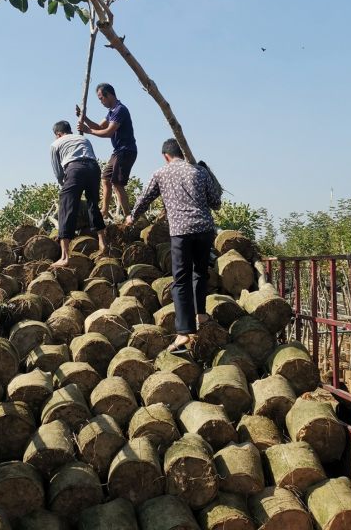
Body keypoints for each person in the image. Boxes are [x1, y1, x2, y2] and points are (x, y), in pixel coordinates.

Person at [126, 138, 222, 353]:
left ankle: (183, 334)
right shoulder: (199, 171)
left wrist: (132, 216)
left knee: (180, 280)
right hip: (204, 229)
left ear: (166, 156)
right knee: (200, 273)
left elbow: (145, 198)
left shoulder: (161, 173)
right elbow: (216, 202)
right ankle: (201, 315)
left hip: (181, 231)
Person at [50, 120, 107, 266]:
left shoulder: (56, 144)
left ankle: (64, 256)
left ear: (58, 134)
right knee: (93, 203)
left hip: (74, 168)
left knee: (66, 207)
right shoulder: (83, 138)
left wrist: (64, 184)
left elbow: (58, 172)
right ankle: (103, 242)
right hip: (94, 168)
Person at [76, 83, 137, 219]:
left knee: (117, 183)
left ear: (108, 95)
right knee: (105, 179)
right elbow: (99, 126)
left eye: (101, 98)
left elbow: (109, 132)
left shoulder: (120, 110)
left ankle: (128, 217)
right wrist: (84, 117)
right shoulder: (111, 112)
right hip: (118, 151)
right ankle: (104, 211)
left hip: (126, 150)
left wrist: (88, 131)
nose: (100, 102)